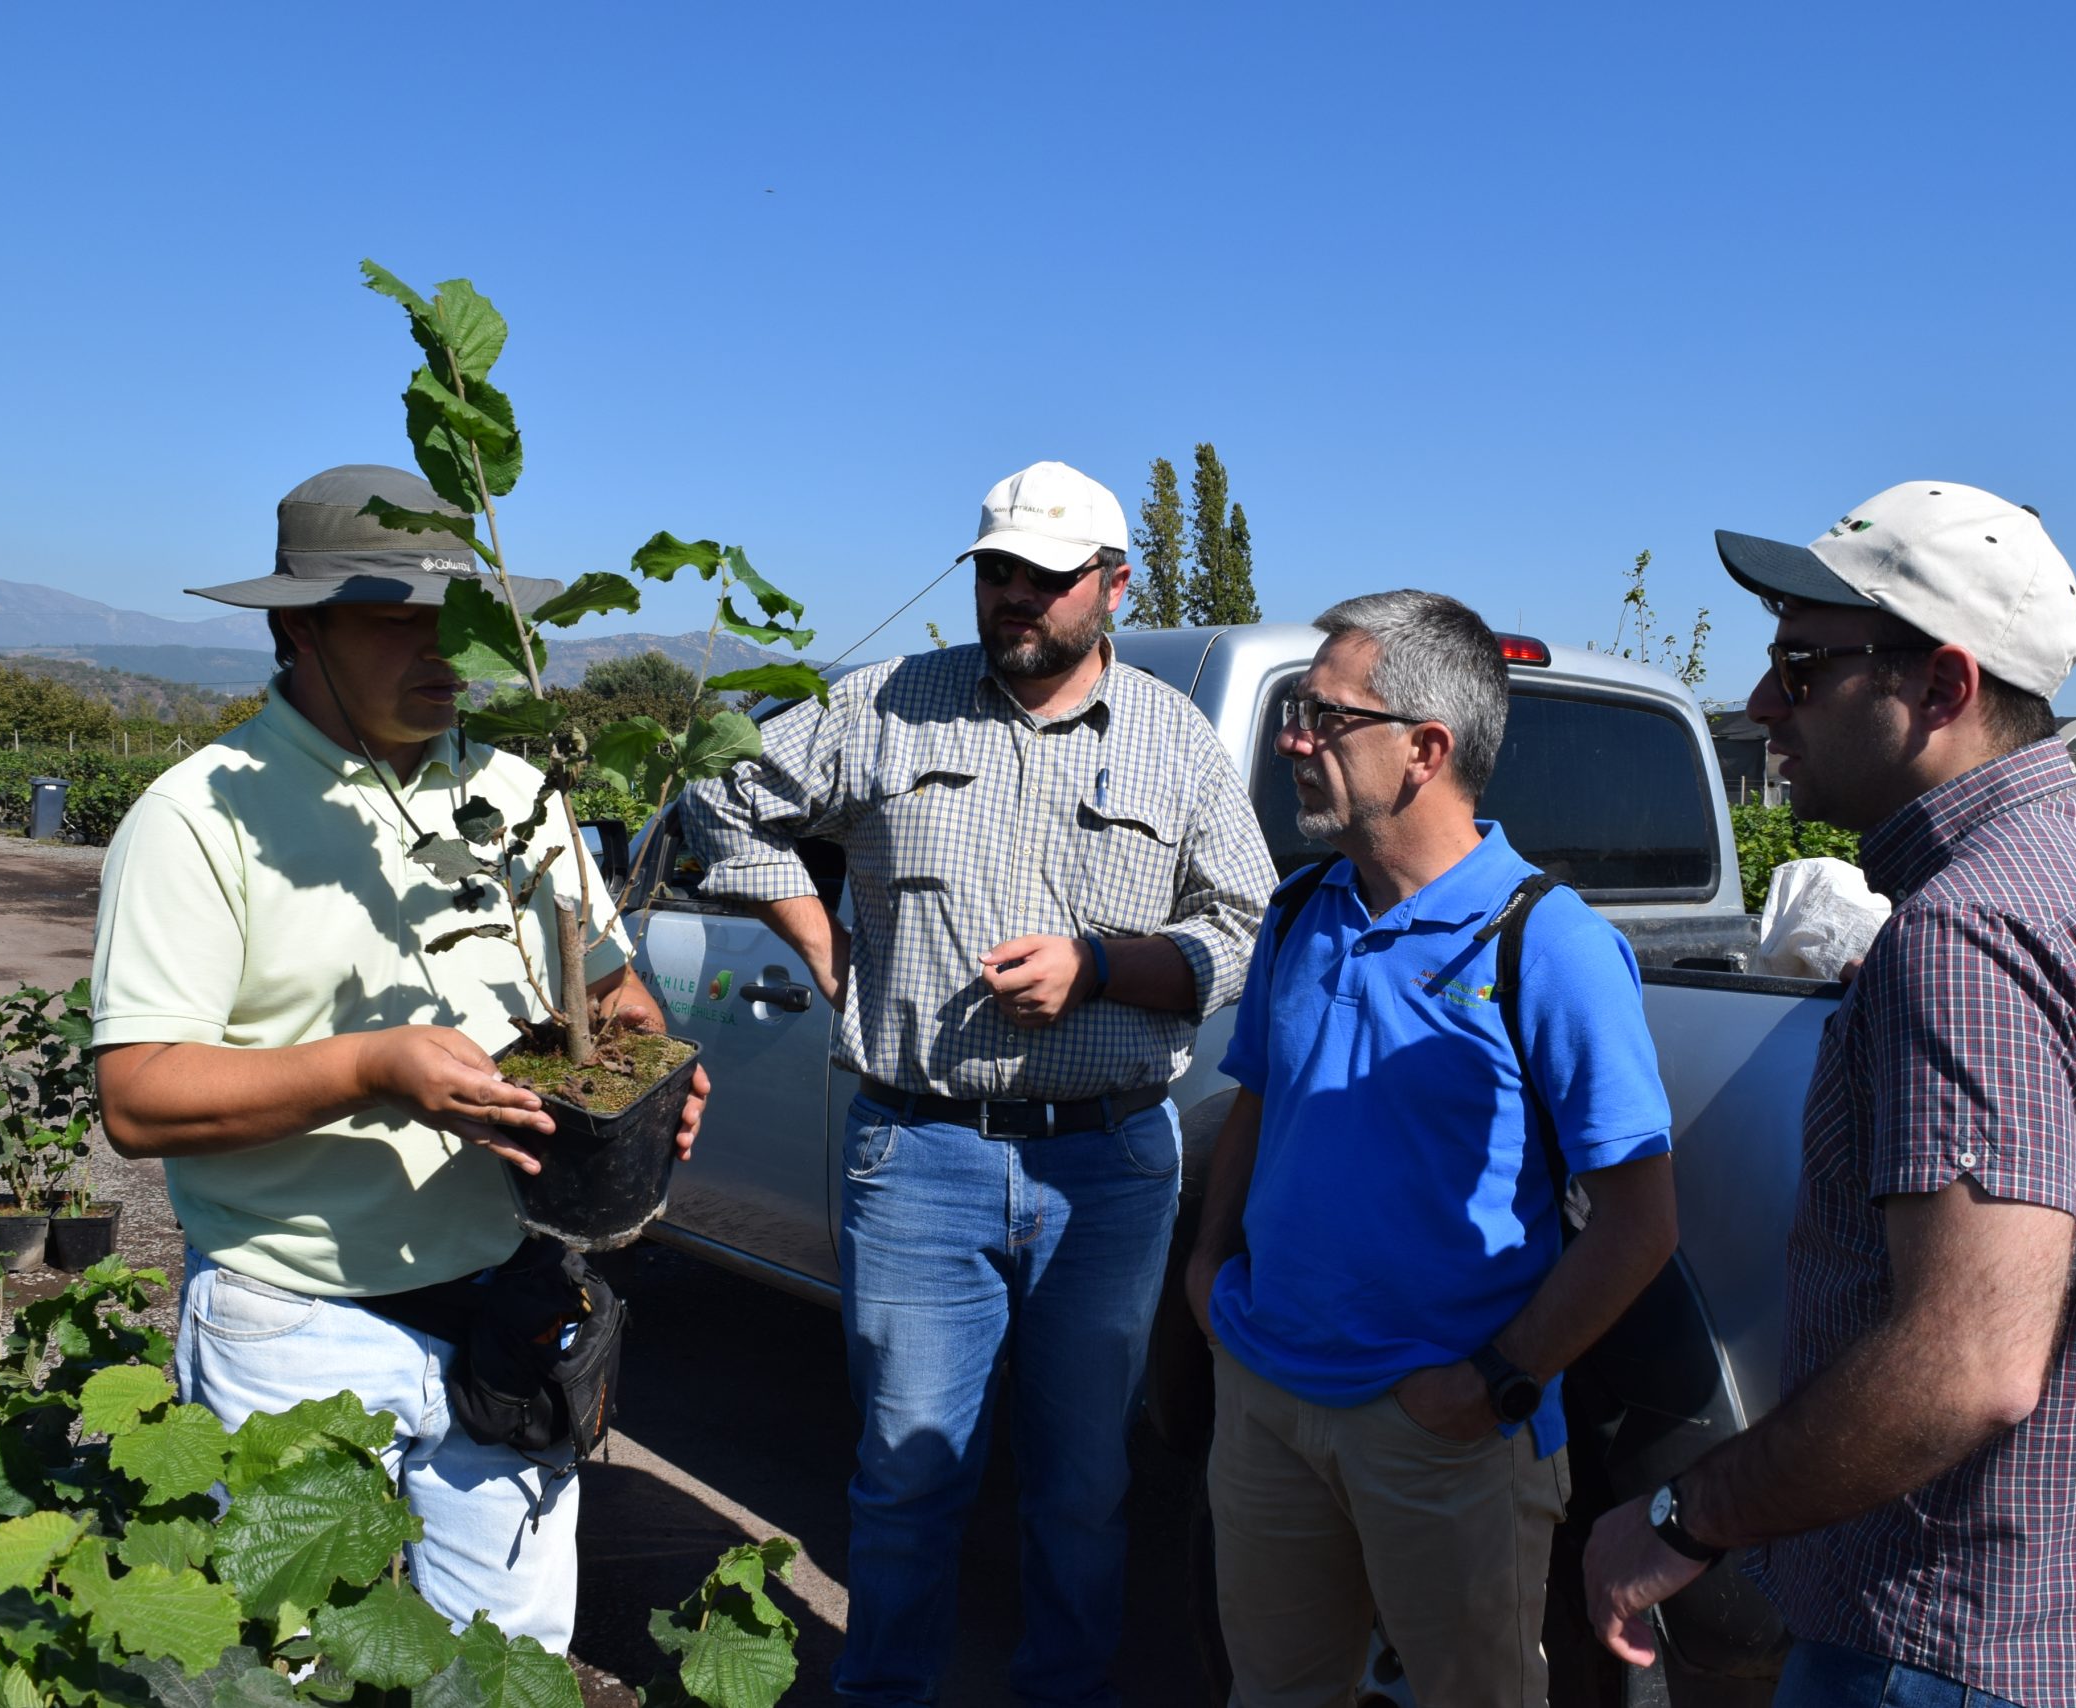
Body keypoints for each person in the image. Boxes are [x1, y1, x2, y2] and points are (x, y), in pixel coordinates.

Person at [1584, 482, 2076, 1707]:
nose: (1762, 701)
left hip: (1951, 1646)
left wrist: (1679, 1518)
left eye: (1802, 664)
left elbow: (1966, 1362)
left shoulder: (1966, 934)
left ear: (1942, 686)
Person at [678, 460, 1275, 1706]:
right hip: (918, 1153)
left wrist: (1100, 967)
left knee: (1083, 1485)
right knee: (907, 1475)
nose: (1016, 597)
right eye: (997, 571)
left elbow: (1243, 930)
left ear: (1114, 587)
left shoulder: (1173, 740)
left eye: (1047, 579)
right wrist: (822, 941)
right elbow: (718, 799)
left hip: (1108, 1166)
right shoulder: (883, 704)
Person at [89, 464, 708, 1650]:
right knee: (295, 1659)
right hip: (301, 1329)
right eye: (394, 620)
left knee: (507, 1663)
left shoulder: (513, 792)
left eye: (460, 618)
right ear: (297, 628)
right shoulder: (201, 817)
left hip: (511, 1306)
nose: (443, 650)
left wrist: (654, 1072)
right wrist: (370, 1069)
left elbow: (610, 995)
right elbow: (140, 1095)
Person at [1183, 590, 1679, 1708]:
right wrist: (1209, 1272)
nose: (1293, 740)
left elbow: (1640, 1224)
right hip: (1266, 1394)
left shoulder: (1545, 941)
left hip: (1442, 1431)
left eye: (1324, 715)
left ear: (1426, 749)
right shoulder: (1300, 910)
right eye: (1296, 712)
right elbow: (1259, 1100)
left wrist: (1491, 1382)